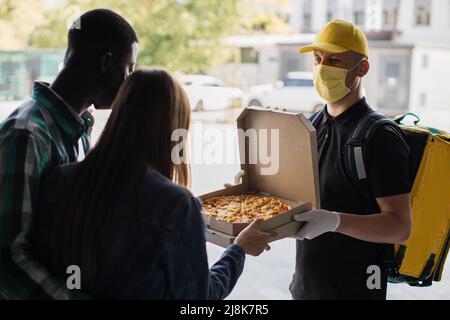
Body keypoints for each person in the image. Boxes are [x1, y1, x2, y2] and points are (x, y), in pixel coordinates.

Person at [33, 69, 275, 299]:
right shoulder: (175, 205)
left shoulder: (58, 180)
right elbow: (199, 297)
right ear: (175, 128)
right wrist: (239, 249)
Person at [0, 9, 138, 299]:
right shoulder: (26, 135)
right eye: (129, 69)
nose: (129, 82)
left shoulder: (76, 129)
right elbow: (9, 259)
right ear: (106, 63)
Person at [289, 20, 412, 300]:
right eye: (317, 59)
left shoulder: (379, 136)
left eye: (334, 60)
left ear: (362, 68)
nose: (322, 68)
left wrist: (334, 221)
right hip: (305, 289)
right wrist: (255, 189)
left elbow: (400, 227)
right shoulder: (311, 126)